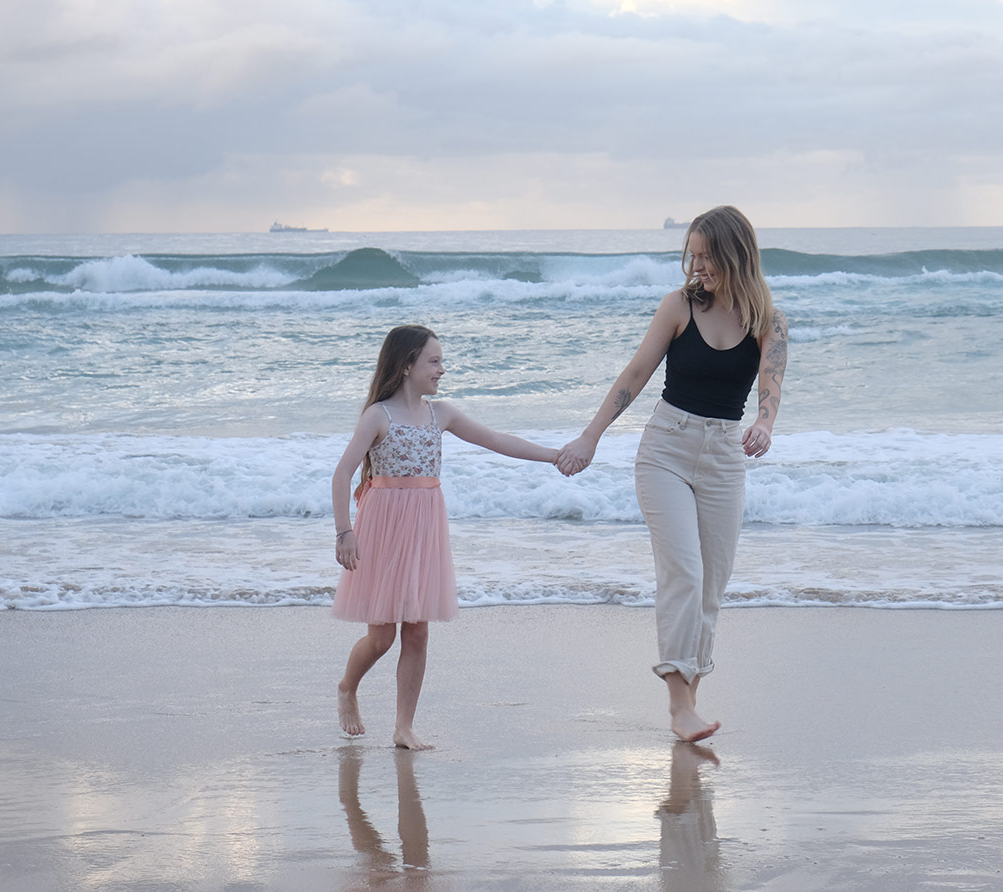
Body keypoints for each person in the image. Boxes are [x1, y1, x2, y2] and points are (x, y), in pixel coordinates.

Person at [556, 205, 788, 743]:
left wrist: (766, 424)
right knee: (683, 571)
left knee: (712, 584)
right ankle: (679, 705)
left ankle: (691, 700)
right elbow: (636, 373)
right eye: (693, 255)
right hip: (666, 449)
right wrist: (590, 436)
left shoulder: (769, 319)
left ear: (734, 254)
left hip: (725, 455)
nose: (696, 265)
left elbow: (771, 385)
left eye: (706, 255)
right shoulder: (679, 306)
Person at [332, 324, 558, 750]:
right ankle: (347, 687)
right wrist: (344, 532)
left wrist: (554, 456)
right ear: (406, 366)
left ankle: (403, 727)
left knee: (417, 632)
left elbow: (497, 441)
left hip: (424, 528)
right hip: (382, 529)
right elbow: (343, 472)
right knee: (381, 637)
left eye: (441, 361)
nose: (441, 369)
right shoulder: (378, 415)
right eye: (433, 361)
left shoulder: (443, 414)